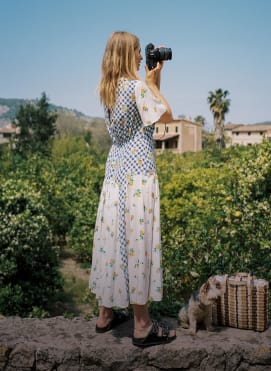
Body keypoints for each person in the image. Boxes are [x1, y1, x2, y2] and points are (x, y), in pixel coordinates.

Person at [89, 31, 176, 347]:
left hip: (115, 173)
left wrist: (151, 85)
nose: (143, 57)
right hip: (138, 175)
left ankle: (105, 316)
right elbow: (166, 115)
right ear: (128, 54)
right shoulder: (138, 87)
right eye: (139, 52)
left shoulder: (110, 89)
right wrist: (153, 84)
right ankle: (142, 325)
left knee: (113, 238)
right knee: (137, 242)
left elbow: (144, 118)